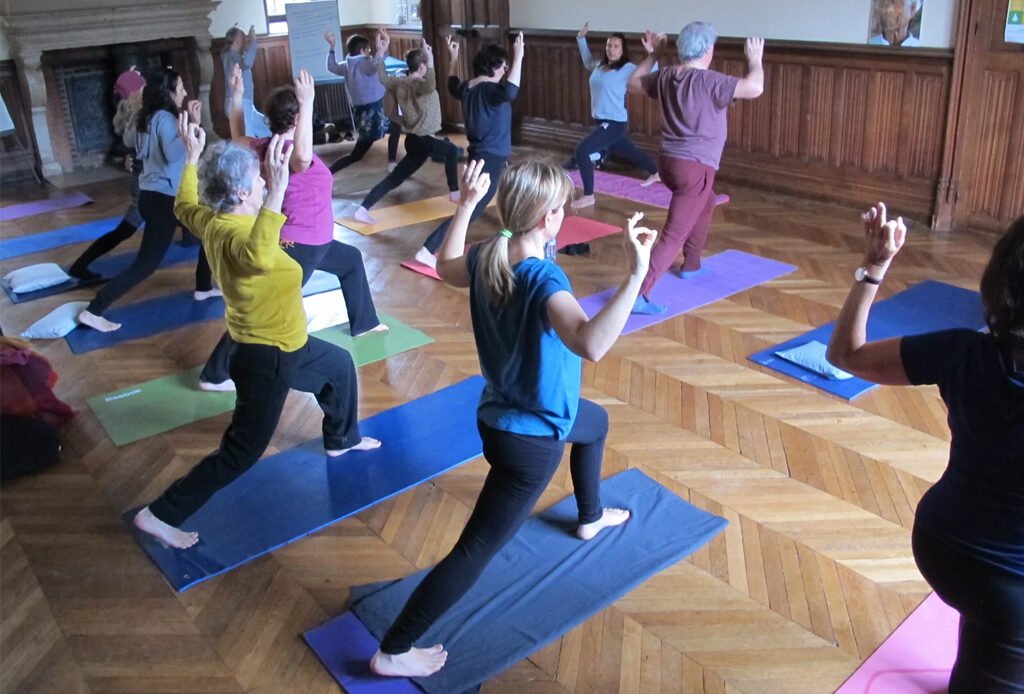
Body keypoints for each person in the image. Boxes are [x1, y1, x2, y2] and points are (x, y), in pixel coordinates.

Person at [370, 158, 656, 677]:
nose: (565, 214)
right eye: (563, 208)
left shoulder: (490, 254)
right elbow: (591, 344)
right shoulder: (543, 278)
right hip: (529, 441)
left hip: (505, 416)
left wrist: (465, 206)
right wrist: (636, 274)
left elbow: (444, 266)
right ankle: (393, 649)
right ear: (549, 217)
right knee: (476, 549)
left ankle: (590, 516)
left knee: (594, 425)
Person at [132, 119, 381, 549]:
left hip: (286, 343)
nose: (266, 181)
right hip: (266, 356)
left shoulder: (210, 219)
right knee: (240, 453)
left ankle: (342, 439)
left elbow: (183, 205)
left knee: (339, 367)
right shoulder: (234, 234)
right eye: (259, 179)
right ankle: (158, 515)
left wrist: (192, 159)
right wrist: (278, 193)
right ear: (242, 193)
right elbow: (260, 258)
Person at [827, 205, 1024, 693]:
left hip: (943, 544)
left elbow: (845, 355)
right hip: (1009, 583)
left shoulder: (963, 352)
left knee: (986, 629)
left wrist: (874, 266)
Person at [197, 66, 387, 392]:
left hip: (315, 240)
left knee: (352, 261)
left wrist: (238, 95)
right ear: (298, 119)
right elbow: (301, 158)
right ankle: (215, 374)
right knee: (265, 306)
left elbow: (237, 135)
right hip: (301, 243)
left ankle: (364, 323)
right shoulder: (290, 153)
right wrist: (308, 102)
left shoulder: (263, 146)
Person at [626, 23, 764, 315]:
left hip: (669, 164)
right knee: (673, 235)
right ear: (708, 50)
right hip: (695, 169)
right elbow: (755, 87)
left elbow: (633, 83)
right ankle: (637, 294)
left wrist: (653, 55)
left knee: (707, 201)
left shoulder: (667, 75)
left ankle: (692, 264)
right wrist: (755, 60)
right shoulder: (710, 81)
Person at [78, 67, 217, 333]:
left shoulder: (146, 116)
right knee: (144, 266)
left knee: (209, 232)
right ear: (168, 92)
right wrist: (194, 125)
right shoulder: (166, 118)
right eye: (180, 88)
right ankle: (94, 310)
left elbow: (130, 140)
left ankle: (203, 287)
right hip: (166, 200)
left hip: (154, 196)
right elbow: (174, 155)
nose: (184, 92)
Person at [412, 34, 524, 270]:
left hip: (483, 156)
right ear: (493, 67)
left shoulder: (469, 88)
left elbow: (452, 84)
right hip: (489, 158)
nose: (505, 71)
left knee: (507, 193)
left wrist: (453, 57)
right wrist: (519, 55)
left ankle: (514, 234)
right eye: (503, 67)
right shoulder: (489, 90)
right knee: (470, 209)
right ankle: (428, 249)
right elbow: (511, 92)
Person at [346, 36, 461, 225]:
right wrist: (431, 59)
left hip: (414, 141)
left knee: (396, 178)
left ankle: (363, 208)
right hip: (423, 140)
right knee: (451, 151)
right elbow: (431, 84)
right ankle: (455, 194)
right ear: (422, 67)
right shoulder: (423, 86)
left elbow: (383, 77)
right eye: (426, 65)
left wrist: (380, 53)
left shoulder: (398, 83)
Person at [68, 67, 147, 282]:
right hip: (146, 185)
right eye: (143, 86)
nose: (147, 89)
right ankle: (80, 266)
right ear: (136, 93)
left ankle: (80, 265)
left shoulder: (132, 114)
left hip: (146, 182)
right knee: (125, 231)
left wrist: (131, 76)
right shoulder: (139, 118)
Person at [572, 22, 660, 209]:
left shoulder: (628, 69)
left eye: (616, 46)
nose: (611, 50)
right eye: (609, 46)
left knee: (582, 151)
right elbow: (587, 62)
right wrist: (581, 39)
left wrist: (652, 53)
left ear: (622, 50)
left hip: (614, 122)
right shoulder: (600, 65)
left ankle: (588, 195)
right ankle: (656, 172)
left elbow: (653, 73)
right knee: (630, 151)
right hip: (601, 120)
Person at [324, 29, 400, 174]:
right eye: (368, 50)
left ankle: (392, 163)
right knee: (357, 154)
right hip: (373, 114)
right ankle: (327, 173)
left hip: (363, 113)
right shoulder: (364, 64)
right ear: (362, 51)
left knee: (394, 129)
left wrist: (332, 47)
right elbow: (376, 64)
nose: (370, 52)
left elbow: (331, 66)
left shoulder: (347, 65)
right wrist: (382, 49)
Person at [222, 24, 272, 137]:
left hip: (245, 103)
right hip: (240, 103)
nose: (245, 41)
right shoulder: (232, 56)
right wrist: (253, 41)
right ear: (236, 42)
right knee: (247, 136)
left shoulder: (230, 55)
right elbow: (247, 63)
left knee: (267, 127)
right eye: (243, 39)